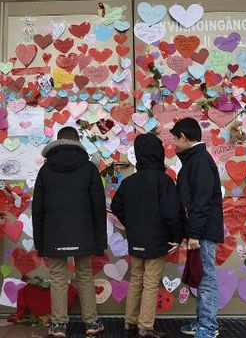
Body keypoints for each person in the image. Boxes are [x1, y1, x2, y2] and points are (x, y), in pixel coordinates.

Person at [32, 126, 107, 337]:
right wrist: (100, 240)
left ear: (57, 142)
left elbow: (37, 208)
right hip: (84, 231)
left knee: (57, 276)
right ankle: (92, 323)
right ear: (77, 142)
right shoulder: (89, 168)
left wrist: (40, 242)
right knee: (84, 275)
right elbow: (98, 207)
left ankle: (58, 325)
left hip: (54, 232)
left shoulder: (45, 170)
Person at [111, 133, 183, 338]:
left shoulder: (129, 182)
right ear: (158, 154)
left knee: (136, 279)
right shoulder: (164, 181)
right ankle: (145, 327)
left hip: (136, 238)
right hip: (158, 239)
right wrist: (177, 237)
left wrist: (131, 224)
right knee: (150, 282)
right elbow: (171, 214)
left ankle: (129, 322)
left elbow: (117, 206)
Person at [170, 118, 224, 338]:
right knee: (202, 276)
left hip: (203, 230)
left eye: (175, 138)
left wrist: (194, 233)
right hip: (201, 228)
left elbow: (201, 201)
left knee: (207, 277)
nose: (174, 142)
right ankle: (203, 321)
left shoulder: (199, 160)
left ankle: (209, 327)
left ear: (184, 137)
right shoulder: (194, 159)